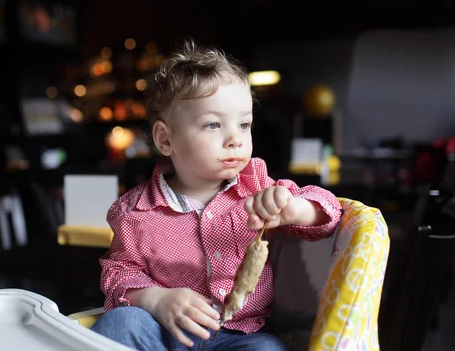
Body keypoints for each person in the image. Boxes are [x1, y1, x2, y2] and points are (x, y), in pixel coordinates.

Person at [91, 38, 342, 350]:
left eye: (244, 124)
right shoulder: (134, 212)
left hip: (241, 336)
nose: (235, 139)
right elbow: (118, 274)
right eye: (213, 125)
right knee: (117, 325)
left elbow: (330, 213)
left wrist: (296, 210)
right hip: (167, 333)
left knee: (268, 349)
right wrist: (155, 299)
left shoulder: (258, 187)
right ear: (166, 139)